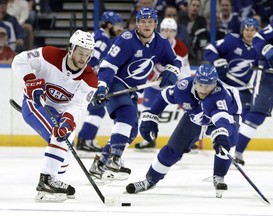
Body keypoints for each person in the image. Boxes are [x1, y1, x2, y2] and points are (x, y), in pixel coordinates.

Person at [88, 7, 182, 181]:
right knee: (127, 114)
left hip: (133, 89)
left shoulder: (161, 42)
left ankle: (100, 164)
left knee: (131, 131)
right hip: (115, 84)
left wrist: (173, 71)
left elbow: (175, 60)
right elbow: (108, 66)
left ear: (155, 23)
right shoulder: (125, 40)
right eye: (143, 21)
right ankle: (115, 159)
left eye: (150, 21)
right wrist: (102, 87)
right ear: (137, 23)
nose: (147, 25)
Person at [126, 64, 242, 198]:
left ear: (215, 84)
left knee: (225, 146)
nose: (203, 90)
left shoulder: (220, 96)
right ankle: (149, 180)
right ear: (195, 81)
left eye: (208, 86)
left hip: (229, 115)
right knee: (171, 150)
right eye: (200, 85)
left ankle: (219, 176)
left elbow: (221, 118)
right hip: (196, 118)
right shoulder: (183, 87)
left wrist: (221, 133)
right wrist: (152, 115)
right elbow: (163, 96)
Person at [11, 29, 97, 202]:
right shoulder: (49, 54)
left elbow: (77, 105)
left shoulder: (90, 79)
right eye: (80, 52)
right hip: (35, 103)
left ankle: (54, 179)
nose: (83, 58)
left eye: (87, 55)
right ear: (71, 48)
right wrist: (29, 80)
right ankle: (46, 179)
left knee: (68, 144)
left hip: (58, 112)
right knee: (57, 135)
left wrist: (67, 120)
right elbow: (19, 60)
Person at [234, 16, 273, 170]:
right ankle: (236, 151)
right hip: (268, 75)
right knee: (257, 114)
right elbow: (258, 38)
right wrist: (267, 49)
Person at [134, 17, 190, 151]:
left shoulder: (181, 48)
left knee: (189, 110)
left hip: (173, 85)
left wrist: (182, 83)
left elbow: (184, 69)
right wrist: (150, 77)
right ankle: (148, 139)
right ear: (160, 30)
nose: (168, 33)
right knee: (148, 112)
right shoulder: (153, 42)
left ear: (175, 32)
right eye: (165, 30)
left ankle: (188, 139)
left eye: (171, 31)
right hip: (153, 85)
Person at [76, 11, 124, 158]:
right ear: (109, 25)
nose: (120, 28)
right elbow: (90, 60)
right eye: (117, 25)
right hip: (89, 79)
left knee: (97, 110)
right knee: (97, 110)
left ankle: (86, 139)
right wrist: (99, 74)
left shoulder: (100, 36)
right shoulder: (102, 39)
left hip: (86, 78)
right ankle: (84, 140)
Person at [204, 17, 260, 119]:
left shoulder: (260, 49)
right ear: (242, 30)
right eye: (246, 29)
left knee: (246, 117)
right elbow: (209, 49)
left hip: (243, 89)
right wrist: (218, 61)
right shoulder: (232, 41)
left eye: (252, 30)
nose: (249, 33)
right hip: (222, 86)